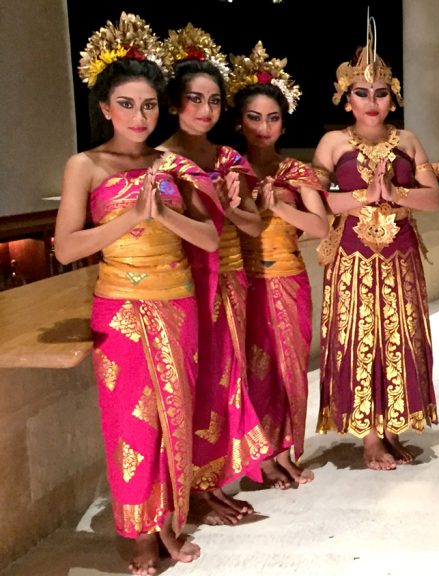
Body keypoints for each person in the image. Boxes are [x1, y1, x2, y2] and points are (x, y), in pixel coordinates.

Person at [54, 13, 218, 574]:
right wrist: (128, 221)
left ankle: (170, 524)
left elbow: (211, 237)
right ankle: (139, 536)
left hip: (177, 302)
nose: (139, 116)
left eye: (149, 105)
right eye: (126, 105)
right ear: (104, 108)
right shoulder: (86, 166)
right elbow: (66, 249)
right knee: (130, 422)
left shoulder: (173, 165)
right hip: (120, 307)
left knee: (176, 415)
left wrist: (166, 212)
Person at [314, 16, 439, 471]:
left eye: (381, 93)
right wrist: (361, 198)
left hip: (401, 254)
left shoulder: (407, 140)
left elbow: (434, 198)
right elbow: (317, 203)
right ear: (346, 98)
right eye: (361, 93)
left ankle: (391, 429)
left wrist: (397, 195)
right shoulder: (331, 143)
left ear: (393, 98)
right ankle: (368, 436)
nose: (372, 102)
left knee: (399, 336)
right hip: (351, 257)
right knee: (359, 335)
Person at [160, 24, 269, 524]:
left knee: (227, 381)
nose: (205, 111)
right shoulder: (158, 161)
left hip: (229, 278)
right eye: (194, 100)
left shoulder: (229, 159)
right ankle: (191, 492)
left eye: (214, 101)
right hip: (182, 285)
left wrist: (231, 204)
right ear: (174, 103)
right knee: (195, 386)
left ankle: (214, 482)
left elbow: (252, 223)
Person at [228, 41, 329, 487]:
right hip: (241, 281)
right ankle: (259, 456)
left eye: (273, 118)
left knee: (289, 368)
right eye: (254, 117)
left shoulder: (297, 172)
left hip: (287, 277)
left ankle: (287, 450)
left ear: (284, 123)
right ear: (239, 121)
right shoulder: (226, 170)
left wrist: (281, 209)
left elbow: (322, 226)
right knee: (250, 369)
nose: (264, 127)